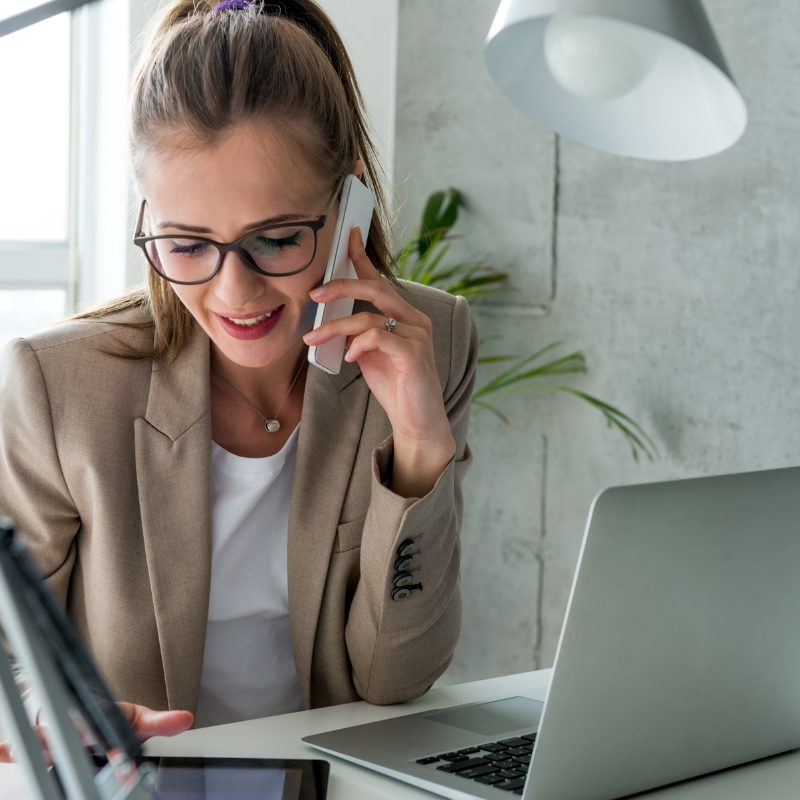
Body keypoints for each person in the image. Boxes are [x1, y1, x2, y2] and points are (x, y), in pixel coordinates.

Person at [0, 0, 477, 744]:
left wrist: (417, 446)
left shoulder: (431, 344)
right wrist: (51, 716)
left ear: (349, 201)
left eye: (278, 238)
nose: (234, 293)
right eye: (187, 245)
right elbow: (9, 654)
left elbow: (399, 677)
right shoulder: (60, 385)